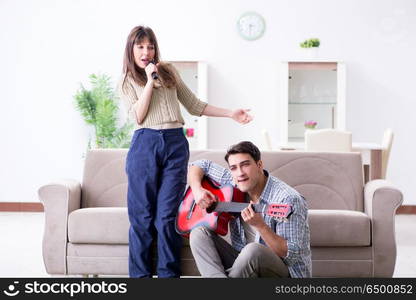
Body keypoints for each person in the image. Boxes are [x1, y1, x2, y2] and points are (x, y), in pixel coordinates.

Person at [117, 25, 253, 278]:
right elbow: (138, 116)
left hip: (175, 143)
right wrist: (149, 80)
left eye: (150, 46)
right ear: (131, 50)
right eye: (140, 46)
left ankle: (169, 278)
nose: (147, 51)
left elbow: (194, 105)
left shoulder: (167, 71)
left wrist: (230, 113)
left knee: (167, 216)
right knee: (142, 218)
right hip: (145, 143)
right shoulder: (127, 80)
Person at [188, 141, 311, 278]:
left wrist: (261, 226)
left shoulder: (287, 199)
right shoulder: (235, 181)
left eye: (245, 165)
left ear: (259, 165)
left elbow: (291, 256)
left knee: (253, 250)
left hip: (284, 273)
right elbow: (199, 164)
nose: (239, 173)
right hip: (244, 266)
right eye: (233, 168)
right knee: (199, 233)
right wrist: (197, 190)